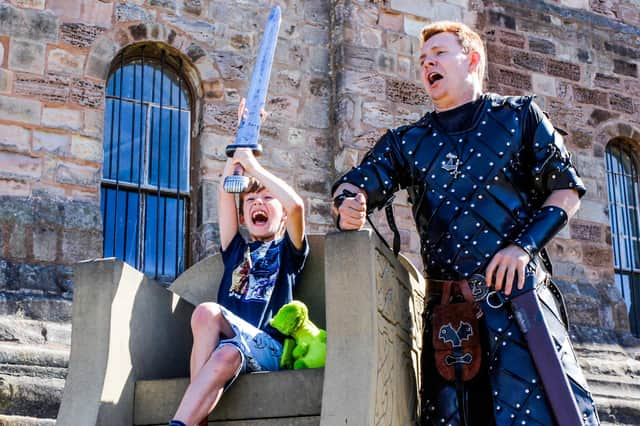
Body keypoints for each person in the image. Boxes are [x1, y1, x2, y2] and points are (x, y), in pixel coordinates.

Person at [332, 21, 600, 425]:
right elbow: (357, 183)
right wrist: (350, 203)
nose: (427, 64)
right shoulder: (407, 142)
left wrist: (522, 247)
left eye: (438, 54)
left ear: (472, 59)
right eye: (422, 60)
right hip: (449, 321)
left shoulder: (520, 117)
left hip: (519, 304)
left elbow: (566, 190)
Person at [169, 106, 308, 426]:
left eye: (268, 200)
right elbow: (224, 192)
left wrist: (254, 167)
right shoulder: (236, 250)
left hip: (269, 348)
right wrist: (243, 134)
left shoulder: (288, 252)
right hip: (234, 347)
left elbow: (297, 205)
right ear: (243, 217)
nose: (259, 202)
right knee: (225, 353)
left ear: (281, 215)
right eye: (250, 201)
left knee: (207, 311)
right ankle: (191, 421)